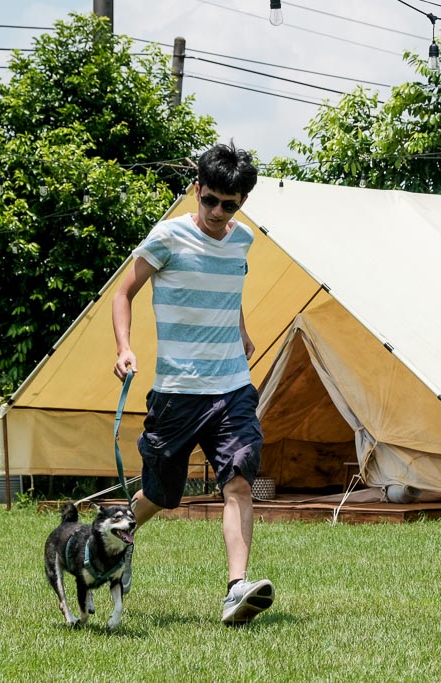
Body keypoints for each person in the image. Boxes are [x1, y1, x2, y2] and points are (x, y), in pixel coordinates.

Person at [112, 142, 274, 626]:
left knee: (240, 480)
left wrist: (240, 330)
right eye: (211, 201)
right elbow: (123, 292)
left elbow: (231, 289)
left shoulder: (242, 241)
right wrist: (123, 347)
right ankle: (111, 537)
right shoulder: (168, 237)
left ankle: (236, 589)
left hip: (232, 386)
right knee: (161, 494)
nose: (219, 213)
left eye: (231, 205)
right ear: (197, 190)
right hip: (177, 390)